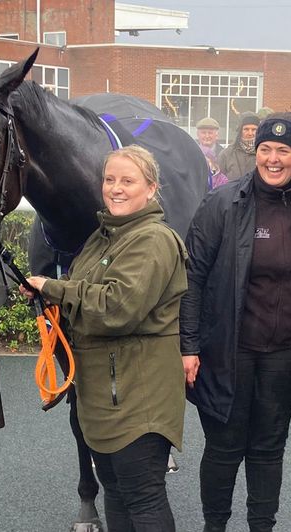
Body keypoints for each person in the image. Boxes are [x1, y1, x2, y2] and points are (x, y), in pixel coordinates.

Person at [21, 145, 187, 531]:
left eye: (128, 181)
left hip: (139, 400)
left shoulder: (153, 239)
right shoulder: (103, 236)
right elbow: (82, 289)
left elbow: (118, 308)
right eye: (110, 179)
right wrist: (48, 293)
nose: (116, 188)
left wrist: (56, 289)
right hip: (101, 396)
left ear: (151, 188)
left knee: (144, 499)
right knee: (114, 491)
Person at [180, 113, 291, 532]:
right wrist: (188, 345)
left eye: (283, 150)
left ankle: (262, 525)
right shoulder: (222, 203)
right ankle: (215, 525)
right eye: (266, 148)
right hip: (229, 348)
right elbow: (190, 277)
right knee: (224, 446)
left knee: (268, 448)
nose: (273, 158)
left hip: (288, 351)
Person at [218, 112, 260, 181]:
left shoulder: (264, 153)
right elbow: (219, 180)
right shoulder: (227, 154)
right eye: (246, 129)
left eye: (254, 130)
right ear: (240, 131)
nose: (250, 133)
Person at [195, 117, 228, 189]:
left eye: (210, 133)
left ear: (216, 135)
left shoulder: (225, 154)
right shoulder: (191, 153)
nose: (207, 136)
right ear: (197, 135)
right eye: (203, 133)